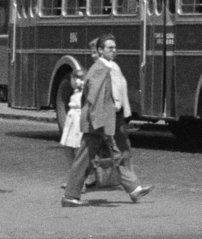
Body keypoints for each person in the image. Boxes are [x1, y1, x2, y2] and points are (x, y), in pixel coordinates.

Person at [62, 35, 152, 206]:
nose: (114, 51)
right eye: (110, 48)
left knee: (117, 154)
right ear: (100, 50)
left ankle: (134, 188)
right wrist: (99, 123)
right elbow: (93, 98)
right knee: (85, 159)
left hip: (106, 121)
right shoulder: (99, 69)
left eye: (115, 47)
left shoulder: (108, 67)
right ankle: (70, 196)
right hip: (98, 123)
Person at [59, 67, 86, 164]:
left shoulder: (85, 94)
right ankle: (72, 165)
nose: (77, 82)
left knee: (78, 144)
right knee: (68, 145)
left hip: (79, 120)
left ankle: (77, 166)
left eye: (81, 79)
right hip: (71, 120)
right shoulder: (71, 93)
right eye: (74, 79)